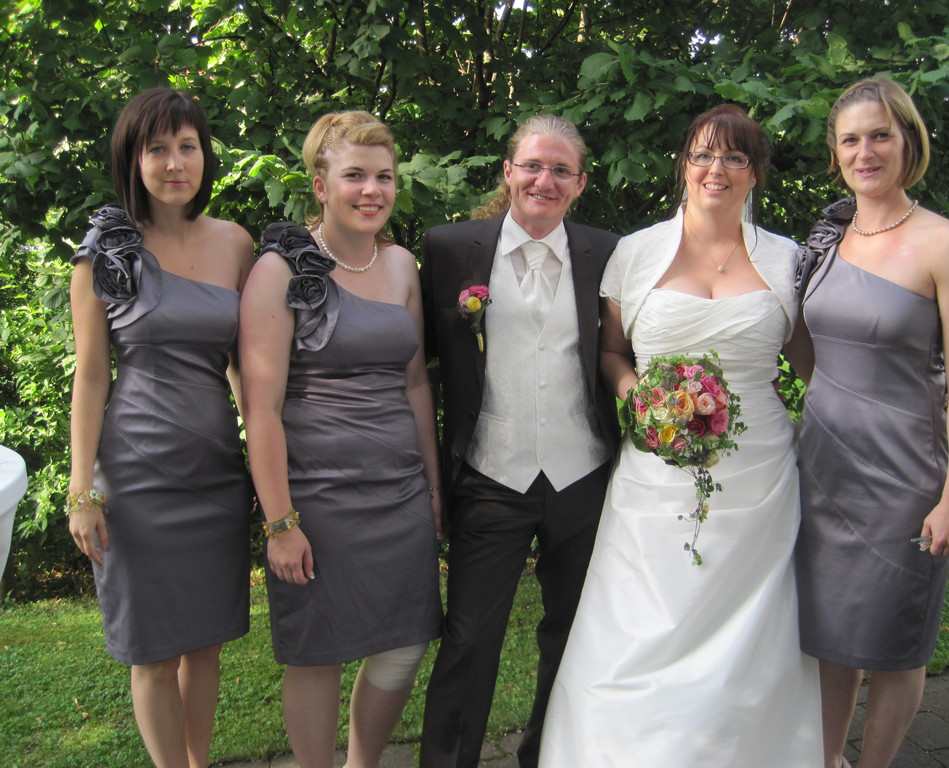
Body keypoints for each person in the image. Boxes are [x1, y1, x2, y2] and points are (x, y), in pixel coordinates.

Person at [537, 105, 823, 767]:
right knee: (642, 620)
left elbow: (814, 370)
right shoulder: (635, 254)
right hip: (655, 470)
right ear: (684, 166)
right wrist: (643, 401)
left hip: (759, 474)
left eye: (734, 157)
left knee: (754, 633)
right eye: (702, 155)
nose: (716, 169)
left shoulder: (789, 262)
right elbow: (613, 354)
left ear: (755, 172)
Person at [793, 77, 949, 768]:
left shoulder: (948, 245)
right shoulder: (826, 240)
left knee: (895, 642)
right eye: (851, 139)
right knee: (830, 636)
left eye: (881, 135)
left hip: (905, 476)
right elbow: (805, 349)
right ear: (835, 152)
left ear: (909, 141)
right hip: (823, 470)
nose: (865, 152)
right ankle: (826, 760)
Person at [239, 111, 443, 768]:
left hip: (399, 494)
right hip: (317, 500)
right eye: (355, 175)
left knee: (405, 643)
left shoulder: (403, 265)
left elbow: (416, 384)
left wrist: (433, 488)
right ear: (321, 186)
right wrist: (280, 521)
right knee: (317, 651)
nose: (372, 190)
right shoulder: (279, 270)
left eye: (384, 176)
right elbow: (261, 407)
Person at [418, 114, 621, 768]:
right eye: (532, 165)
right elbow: (414, 359)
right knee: (470, 640)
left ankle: (548, 756)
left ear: (580, 184)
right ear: (508, 172)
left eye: (561, 170)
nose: (544, 179)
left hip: (583, 478)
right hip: (490, 477)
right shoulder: (448, 249)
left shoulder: (608, 254)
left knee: (574, 637)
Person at [67, 88, 253, 768]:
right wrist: (81, 490)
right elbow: (91, 376)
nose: (175, 163)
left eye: (187, 146)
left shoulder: (236, 243)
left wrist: (266, 461)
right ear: (133, 159)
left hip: (216, 473)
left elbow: (246, 369)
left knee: (205, 645)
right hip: (136, 476)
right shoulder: (104, 253)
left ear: (205, 155)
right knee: (151, 653)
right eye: (157, 149)